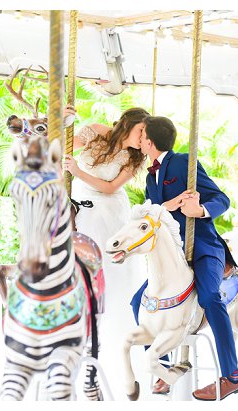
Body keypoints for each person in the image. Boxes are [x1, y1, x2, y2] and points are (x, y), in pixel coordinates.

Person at [128, 116, 238, 400]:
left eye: (142, 136)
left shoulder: (182, 163)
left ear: (149, 142)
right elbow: (150, 214)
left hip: (203, 247)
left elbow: (221, 198)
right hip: (174, 256)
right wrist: (168, 206)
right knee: (137, 302)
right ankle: (163, 368)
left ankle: (232, 376)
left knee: (210, 298)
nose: (138, 140)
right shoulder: (150, 176)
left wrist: (200, 210)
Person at [62, 107, 150, 398]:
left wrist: (77, 172)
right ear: (129, 124)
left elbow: (111, 187)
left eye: (145, 135)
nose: (142, 138)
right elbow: (66, 144)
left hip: (107, 207)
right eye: (141, 132)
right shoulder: (98, 130)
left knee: (107, 258)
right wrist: (65, 123)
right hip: (79, 199)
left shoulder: (134, 159)